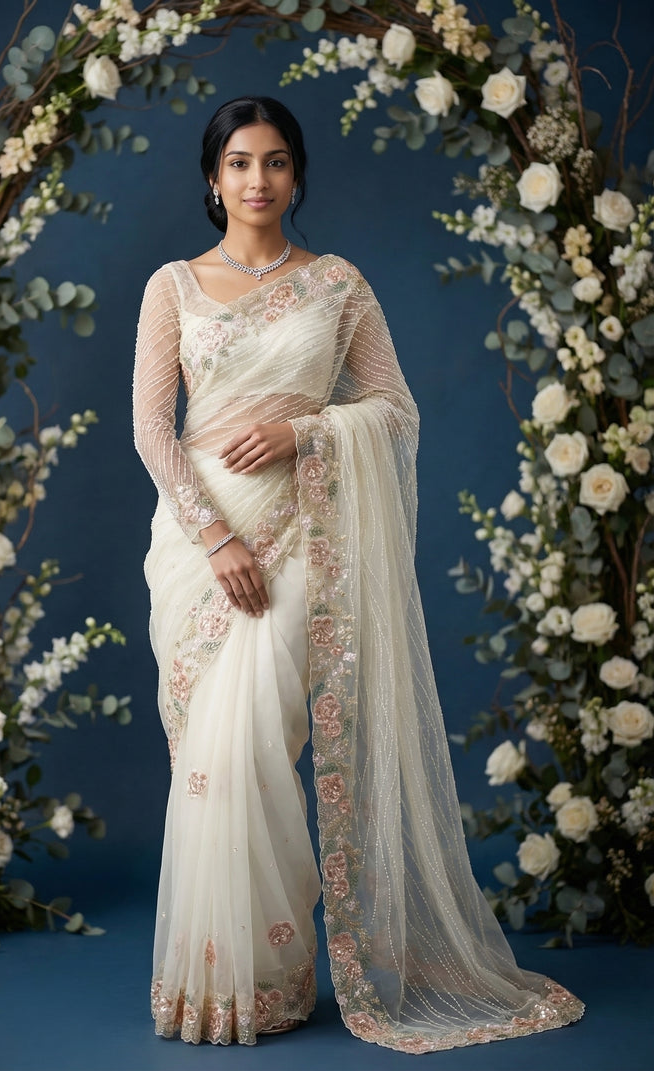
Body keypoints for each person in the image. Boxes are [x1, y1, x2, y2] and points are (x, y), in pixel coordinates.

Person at [132, 95, 584, 1051]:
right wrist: (215, 538)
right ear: (213, 180)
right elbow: (151, 432)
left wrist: (302, 430)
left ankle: (279, 972)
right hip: (201, 541)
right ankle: (222, 982)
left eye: (278, 162)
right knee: (210, 755)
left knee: (255, 742)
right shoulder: (172, 285)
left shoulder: (337, 284)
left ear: (297, 176)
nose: (260, 180)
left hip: (304, 535)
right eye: (242, 163)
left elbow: (394, 407)